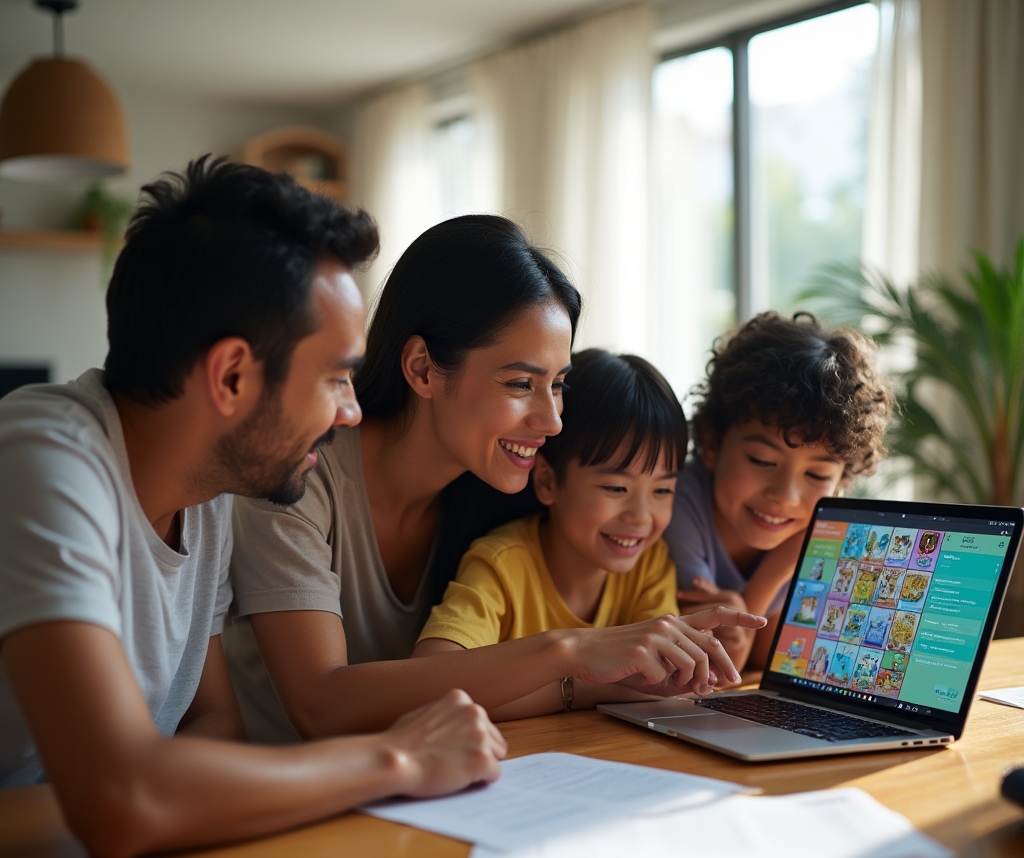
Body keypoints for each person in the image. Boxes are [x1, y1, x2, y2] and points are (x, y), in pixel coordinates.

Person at [0, 157, 509, 858]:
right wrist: (399, 759)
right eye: (336, 378)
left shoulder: (208, 489)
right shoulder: (42, 460)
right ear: (232, 375)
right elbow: (123, 800)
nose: (353, 411)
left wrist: (160, 794)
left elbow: (211, 724)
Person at [226, 217, 764, 743]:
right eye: (520, 382)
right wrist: (570, 653)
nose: (552, 421)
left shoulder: (496, 486)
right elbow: (323, 708)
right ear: (422, 369)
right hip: (273, 803)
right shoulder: (296, 476)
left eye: (557, 385)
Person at [413, 349, 721, 718]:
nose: (641, 517)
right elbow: (429, 685)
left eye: (662, 490)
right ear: (547, 480)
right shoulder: (501, 564)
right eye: (616, 488)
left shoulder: (649, 565)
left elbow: (661, 683)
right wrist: (578, 687)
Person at [666, 312, 893, 672]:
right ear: (711, 443)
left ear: (841, 483)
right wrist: (776, 570)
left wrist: (775, 570)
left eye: (817, 475)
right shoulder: (675, 506)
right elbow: (717, 668)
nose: (786, 496)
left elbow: (770, 663)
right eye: (761, 460)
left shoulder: (818, 539)